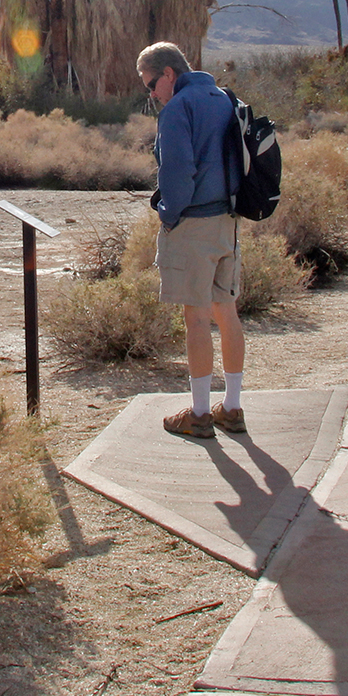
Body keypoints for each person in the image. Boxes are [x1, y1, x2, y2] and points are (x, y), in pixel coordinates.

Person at [137, 41, 244, 439]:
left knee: (196, 317)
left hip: (194, 224)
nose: (152, 94)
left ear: (168, 74)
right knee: (226, 311)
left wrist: (168, 213)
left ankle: (199, 414)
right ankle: (231, 408)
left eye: (151, 85)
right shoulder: (224, 98)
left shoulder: (178, 108)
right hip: (227, 222)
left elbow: (178, 170)